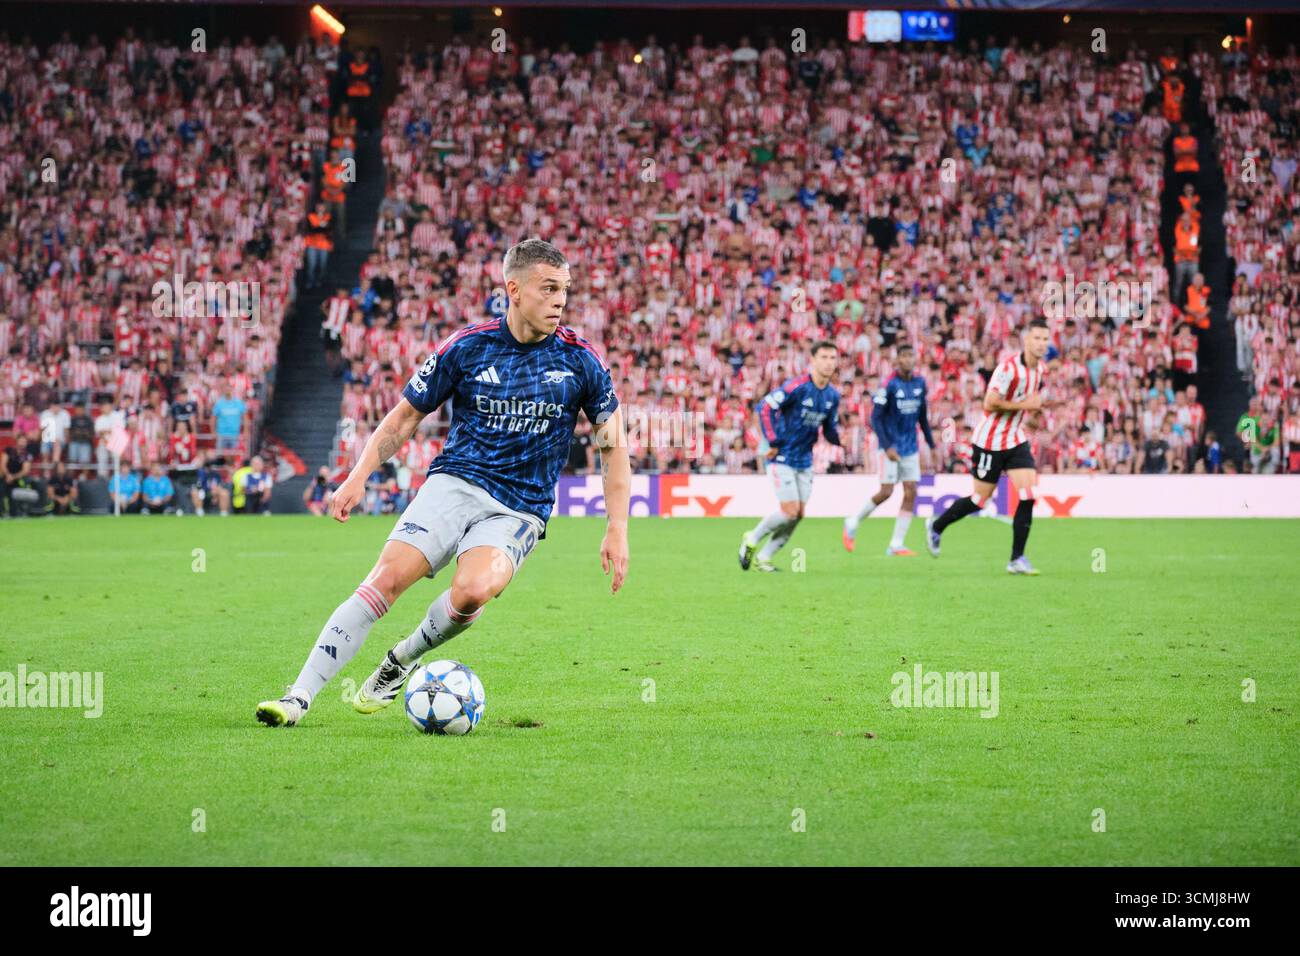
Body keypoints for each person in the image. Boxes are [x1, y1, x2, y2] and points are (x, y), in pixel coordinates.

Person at [256, 238, 630, 728]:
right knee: (385, 580)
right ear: (514, 290)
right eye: (549, 288)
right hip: (453, 484)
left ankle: (400, 660)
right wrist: (358, 476)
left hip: (519, 508)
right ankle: (298, 697)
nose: (560, 300)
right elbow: (404, 417)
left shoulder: (581, 361)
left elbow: (613, 446)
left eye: (565, 289)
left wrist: (617, 528)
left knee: (474, 590)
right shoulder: (467, 347)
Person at [925, 318, 1060, 575]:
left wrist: (1039, 411)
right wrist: (1026, 406)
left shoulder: (1040, 371)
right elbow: (990, 403)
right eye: (1037, 338)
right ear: (1026, 340)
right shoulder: (1008, 369)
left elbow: (1027, 405)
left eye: (1045, 339)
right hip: (989, 441)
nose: (1042, 344)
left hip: (1015, 439)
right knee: (979, 499)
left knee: (1028, 495)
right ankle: (936, 526)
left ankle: (1016, 559)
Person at [738, 340, 842, 572]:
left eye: (832, 358)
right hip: (782, 456)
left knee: (798, 514)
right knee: (789, 510)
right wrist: (773, 440)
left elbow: (828, 428)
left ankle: (765, 557)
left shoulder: (833, 396)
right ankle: (751, 538)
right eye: (823, 357)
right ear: (813, 360)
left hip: (805, 460)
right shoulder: (796, 386)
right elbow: (764, 407)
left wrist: (838, 439)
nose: (828, 363)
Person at [844, 342, 936, 556]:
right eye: (904, 356)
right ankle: (853, 520)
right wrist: (887, 446)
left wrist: (931, 443)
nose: (908, 360)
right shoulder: (889, 385)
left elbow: (922, 416)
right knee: (886, 491)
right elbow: (875, 418)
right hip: (890, 447)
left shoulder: (920, 383)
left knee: (911, 491)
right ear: (897, 360)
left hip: (910, 447)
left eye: (911, 356)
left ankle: (896, 544)